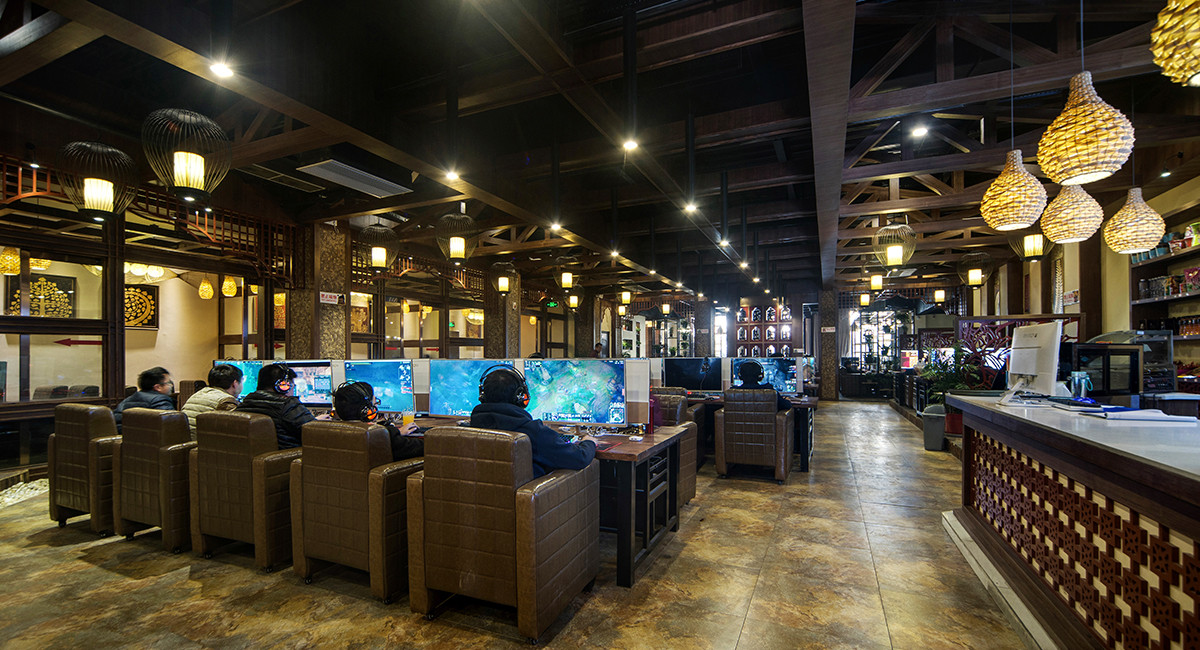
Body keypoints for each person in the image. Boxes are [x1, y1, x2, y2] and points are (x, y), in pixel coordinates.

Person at [470, 365, 595, 478]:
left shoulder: (470, 429)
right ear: (520, 397)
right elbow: (580, 458)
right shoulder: (533, 432)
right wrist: (589, 442)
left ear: (482, 396)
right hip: (530, 494)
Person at [332, 382, 424, 461]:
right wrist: (391, 433)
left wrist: (396, 431)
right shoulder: (378, 436)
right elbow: (423, 448)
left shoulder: (333, 432)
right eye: (375, 403)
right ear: (367, 410)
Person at [236, 363, 315, 449]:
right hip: (289, 455)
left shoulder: (246, 402)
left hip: (257, 455)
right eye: (292, 385)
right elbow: (316, 432)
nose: (293, 389)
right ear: (282, 386)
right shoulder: (287, 404)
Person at [180, 364, 244, 438]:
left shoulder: (198, 394)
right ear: (235, 384)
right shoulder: (226, 401)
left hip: (187, 441)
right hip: (203, 443)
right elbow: (240, 429)